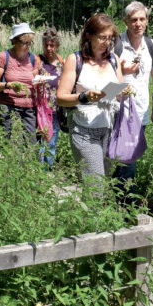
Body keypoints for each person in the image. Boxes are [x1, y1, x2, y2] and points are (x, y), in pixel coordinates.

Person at [57, 14, 129, 186]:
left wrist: (126, 91)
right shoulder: (76, 60)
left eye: (110, 38)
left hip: (109, 130)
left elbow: (119, 93)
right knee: (96, 187)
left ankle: (83, 213)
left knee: (99, 185)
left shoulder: (114, 60)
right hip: (84, 131)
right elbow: (61, 98)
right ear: (89, 35)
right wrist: (84, 97)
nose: (107, 42)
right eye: (102, 37)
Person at [112, 1, 153, 204]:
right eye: (133, 20)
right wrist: (122, 72)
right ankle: (128, 204)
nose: (138, 23)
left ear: (147, 21)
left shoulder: (151, 45)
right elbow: (104, 73)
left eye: (142, 19)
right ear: (126, 21)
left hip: (140, 111)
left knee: (125, 158)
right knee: (128, 158)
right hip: (118, 110)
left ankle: (117, 200)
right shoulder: (116, 44)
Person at [0, 23, 42, 147]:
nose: (27, 46)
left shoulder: (33, 58)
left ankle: (29, 166)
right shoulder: (4, 57)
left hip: (30, 107)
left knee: (31, 142)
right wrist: (8, 85)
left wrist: (40, 81)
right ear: (14, 41)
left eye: (29, 43)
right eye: (24, 43)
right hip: (9, 106)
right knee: (12, 143)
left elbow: (33, 81)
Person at [38, 27, 65, 168]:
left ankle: (48, 170)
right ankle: (38, 171)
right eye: (46, 45)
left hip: (56, 109)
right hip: (40, 108)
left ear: (57, 46)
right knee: (40, 141)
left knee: (52, 141)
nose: (49, 48)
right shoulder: (37, 60)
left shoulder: (62, 63)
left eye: (52, 45)